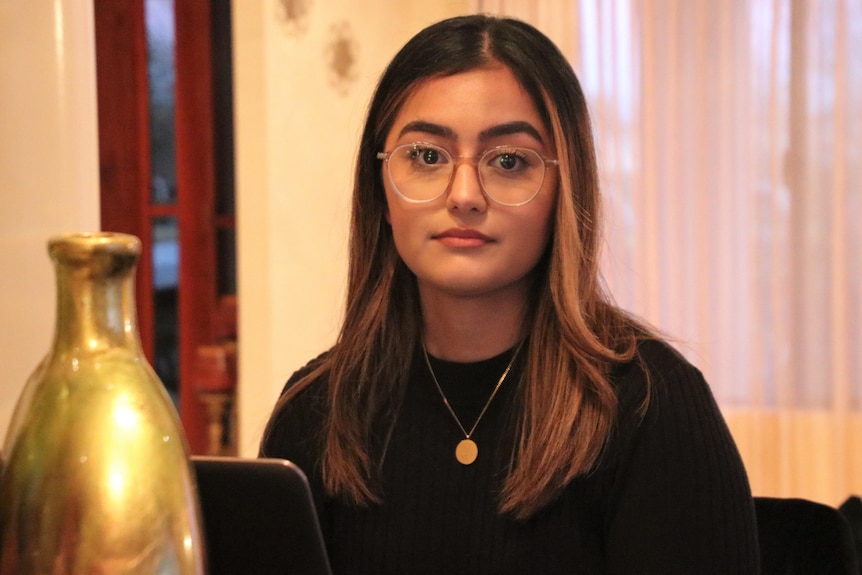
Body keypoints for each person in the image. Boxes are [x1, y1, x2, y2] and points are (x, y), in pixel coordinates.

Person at [260, 14, 759, 574]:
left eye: (509, 161)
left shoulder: (651, 405)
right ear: (380, 191)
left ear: (563, 190)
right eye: (427, 156)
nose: (465, 195)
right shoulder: (314, 410)